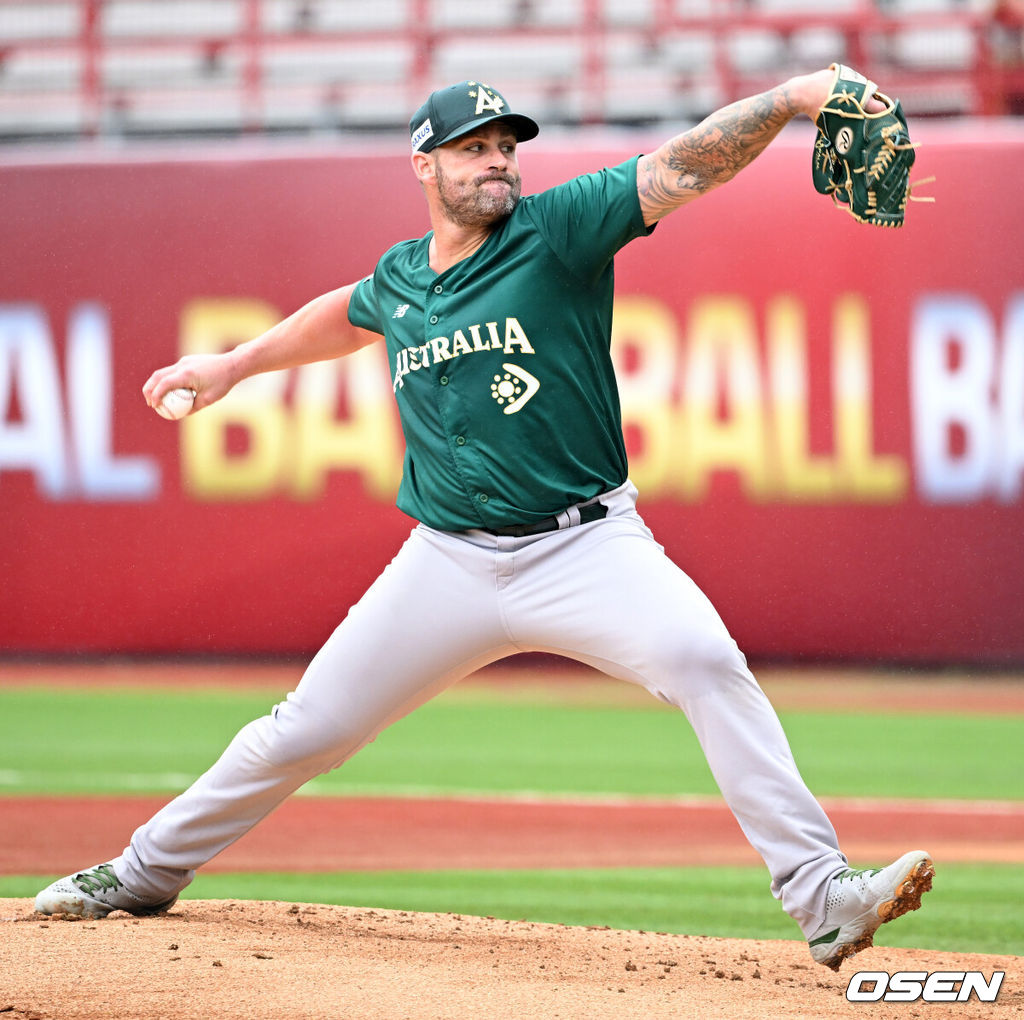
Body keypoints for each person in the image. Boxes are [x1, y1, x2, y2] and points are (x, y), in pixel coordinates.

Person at [36, 75, 933, 971]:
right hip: (447, 563)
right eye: (474, 148)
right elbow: (347, 316)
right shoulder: (399, 279)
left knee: (703, 661)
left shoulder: (559, 230)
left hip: (586, 545)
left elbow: (680, 168)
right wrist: (234, 364)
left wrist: (787, 101)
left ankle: (823, 898)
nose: (497, 161)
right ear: (426, 166)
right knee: (307, 728)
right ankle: (144, 870)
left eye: (506, 145)